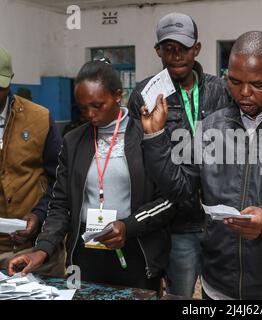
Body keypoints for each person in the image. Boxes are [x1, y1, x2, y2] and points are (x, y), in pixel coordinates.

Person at [140, 31, 262, 299]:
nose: (244, 93)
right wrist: (154, 137)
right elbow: (180, 190)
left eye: (257, 85)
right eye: (234, 81)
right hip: (218, 285)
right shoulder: (210, 126)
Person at [8, 60, 174, 292]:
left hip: (135, 248)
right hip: (86, 252)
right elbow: (60, 203)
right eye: (83, 108)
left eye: (97, 105)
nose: (90, 114)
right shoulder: (74, 141)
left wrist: (129, 226)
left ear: (117, 95)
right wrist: (42, 249)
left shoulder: (145, 135)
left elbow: (168, 200)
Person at [127, 12, 231, 297]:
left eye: (183, 48)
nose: (175, 56)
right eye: (168, 49)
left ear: (196, 48)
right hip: (176, 223)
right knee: (179, 295)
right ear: (157, 51)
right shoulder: (145, 95)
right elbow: (141, 162)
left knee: (223, 294)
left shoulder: (222, 90)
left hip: (221, 221)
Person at [0, 47, 65, 277]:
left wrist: (38, 214)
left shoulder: (39, 119)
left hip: (33, 251)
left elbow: (59, 180)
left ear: (10, 81)